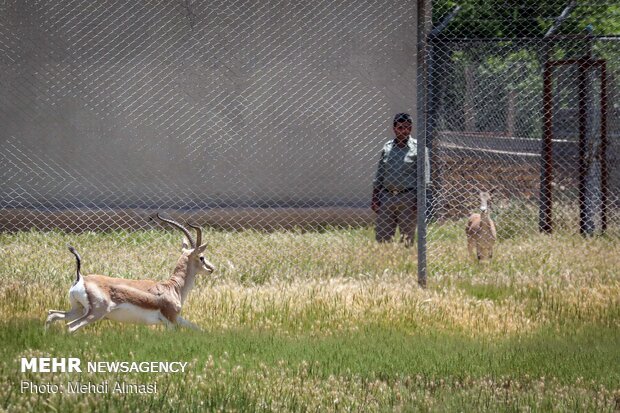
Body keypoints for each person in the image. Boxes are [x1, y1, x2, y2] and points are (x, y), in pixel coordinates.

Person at [371, 113, 430, 245]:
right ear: (394, 128)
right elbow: (380, 174)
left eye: (408, 127)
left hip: (408, 199)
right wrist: (375, 197)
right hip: (386, 197)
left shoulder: (419, 149)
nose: (404, 131)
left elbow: (424, 179)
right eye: (400, 127)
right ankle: (384, 261)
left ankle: (407, 261)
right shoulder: (387, 148)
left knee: (407, 239)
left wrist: (419, 201)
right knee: (382, 238)